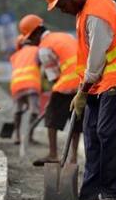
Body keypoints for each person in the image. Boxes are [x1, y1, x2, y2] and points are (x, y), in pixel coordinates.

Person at [40, 0, 116, 200]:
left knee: (107, 132)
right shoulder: (93, 0)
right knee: (92, 135)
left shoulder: (95, 15)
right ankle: (90, 192)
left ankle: (112, 192)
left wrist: (81, 92)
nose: (62, 11)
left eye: (61, 6)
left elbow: (96, 58)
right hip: (98, 83)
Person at [18, 14, 82, 166]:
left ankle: (53, 154)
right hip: (83, 82)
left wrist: (51, 100)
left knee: (51, 117)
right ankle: (73, 159)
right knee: (76, 121)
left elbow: (54, 77)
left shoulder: (44, 48)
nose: (32, 43)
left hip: (67, 83)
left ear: (36, 33)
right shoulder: (63, 35)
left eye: (30, 39)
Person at [9, 34, 41, 145]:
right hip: (32, 84)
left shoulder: (14, 56)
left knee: (17, 110)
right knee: (34, 111)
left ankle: (17, 135)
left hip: (16, 86)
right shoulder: (37, 50)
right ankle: (29, 136)